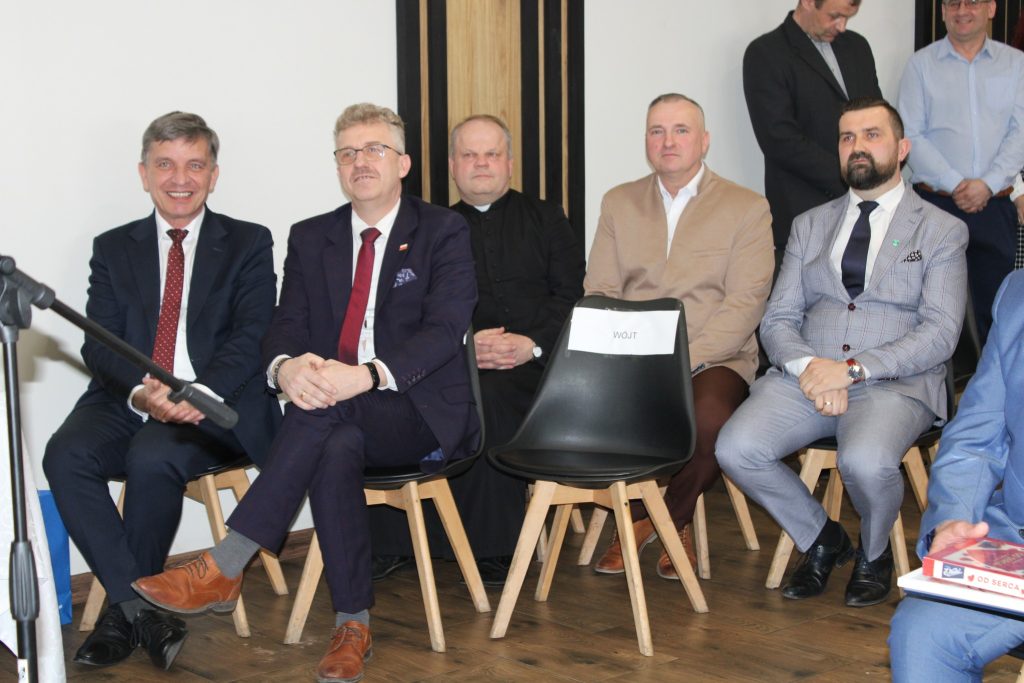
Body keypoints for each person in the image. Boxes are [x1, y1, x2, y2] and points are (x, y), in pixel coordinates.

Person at [131, 103, 478, 683]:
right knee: (334, 439)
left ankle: (227, 562)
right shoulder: (312, 236)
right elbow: (284, 325)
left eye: (375, 150)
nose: (360, 161)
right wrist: (285, 367)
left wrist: (366, 375)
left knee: (327, 410)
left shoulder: (443, 231)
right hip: (335, 413)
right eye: (348, 152)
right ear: (337, 166)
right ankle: (352, 627)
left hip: (416, 411)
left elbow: (445, 331)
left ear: (403, 164)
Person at [41, 111, 280, 670]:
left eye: (195, 165)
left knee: (153, 456)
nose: (180, 178)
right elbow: (98, 344)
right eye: (165, 164)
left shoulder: (248, 241)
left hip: (218, 402)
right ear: (143, 173)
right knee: (65, 453)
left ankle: (122, 616)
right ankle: (140, 610)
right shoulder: (112, 247)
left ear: (213, 175)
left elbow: (252, 336)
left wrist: (196, 394)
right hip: (130, 397)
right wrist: (141, 394)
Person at [717, 97, 968, 608]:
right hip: (807, 377)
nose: (857, 147)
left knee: (866, 461)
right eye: (847, 137)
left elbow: (941, 332)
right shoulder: (809, 224)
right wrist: (813, 368)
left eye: (872, 135)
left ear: (902, 148)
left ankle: (875, 554)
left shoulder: (941, 229)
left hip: (894, 382)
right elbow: (779, 318)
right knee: (735, 449)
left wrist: (851, 371)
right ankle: (822, 538)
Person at [368, 114, 584, 586]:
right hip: (456, 361)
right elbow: (413, 311)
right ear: (452, 166)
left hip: (542, 368)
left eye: (491, 154)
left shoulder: (547, 219)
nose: (481, 163)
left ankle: (493, 547)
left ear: (509, 163)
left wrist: (531, 345)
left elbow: (572, 296)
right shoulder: (429, 229)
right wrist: (467, 345)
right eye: (469, 155)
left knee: (489, 401)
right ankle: (397, 542)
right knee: (399, 401)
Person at [584, 93, 774, 580]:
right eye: (657, 131)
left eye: (681, 130)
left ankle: (656, 520)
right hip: (632, 357)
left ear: (704, 141)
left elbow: (746, 302)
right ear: (646, 141)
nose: (668, 141)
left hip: (717, 357)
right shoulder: (619, 202)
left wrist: (684, 359)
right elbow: (600, 291)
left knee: (709, 420)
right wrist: (631, 356)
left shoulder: (747, 207)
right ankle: (670, 523)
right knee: (614, 413)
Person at [888, 270, 1024, 682]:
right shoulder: (1018, 293)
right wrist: (952, 520)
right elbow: (975, 440)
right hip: (1017, 540)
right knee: (922, 633)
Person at [897, 0, 1024, 343]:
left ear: (991, 9)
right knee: (931, 310)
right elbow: (911, 134)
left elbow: (1021, 133)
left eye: (972, 2)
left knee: (996, 310)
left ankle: (993, 378)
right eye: (953, 3)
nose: (962, 10)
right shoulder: (920, 65)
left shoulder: (1017, 64)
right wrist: (957, 184)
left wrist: (988, 184)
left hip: (995, 207)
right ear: (942, 11)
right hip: (935, 206)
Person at [743, 0, 881, 266]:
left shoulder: (857, 47)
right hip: (806, 213)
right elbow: (779, 140)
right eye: (835, 16)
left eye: (848, 17)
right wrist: (851, 178)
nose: (841, 26)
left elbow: (877, 116)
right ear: (807, 2)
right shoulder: (766, 53)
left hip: (867, 212)